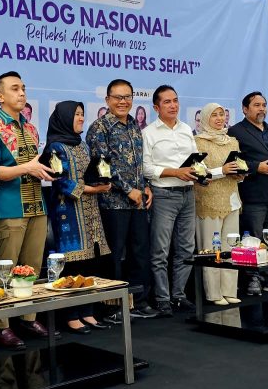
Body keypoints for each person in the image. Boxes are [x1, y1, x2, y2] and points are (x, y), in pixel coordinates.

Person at [0, 71, 59, 350]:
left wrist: (46, 170)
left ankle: (27, 317)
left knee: (32, 267)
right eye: (14, 88)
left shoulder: (31, 128)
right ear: (0, 96)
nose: (22, 93)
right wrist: (27, 168)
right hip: (9, 207)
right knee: (6, 268)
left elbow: (34, 167)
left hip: (37, 205)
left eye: (23, 88)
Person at [86, 79, 159, 321]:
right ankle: (112, 308)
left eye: (127, 97)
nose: (123, 101)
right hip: (112, 203)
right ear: (107, 100)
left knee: (140, 253)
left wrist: (145, 187)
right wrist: (128, 190)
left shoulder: (134, 125)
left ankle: (139, 301)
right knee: (114, 256)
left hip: (138, 202)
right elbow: (103, 167)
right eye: (117, 97)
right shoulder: (99, 128)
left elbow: (138, 164)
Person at [46, 101, 112, 333]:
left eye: (82, 114)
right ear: (64, 118)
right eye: (76, 114)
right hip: (68, 213)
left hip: (90, 210)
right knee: (72, 265)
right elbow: (60, 180)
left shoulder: (82, 144)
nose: (81, 118)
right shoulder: (55, 147)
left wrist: (101, 179)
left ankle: (87, 312)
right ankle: (71, 316)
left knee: (90, 262)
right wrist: (91, 189)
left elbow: (88, 172)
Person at [227, 91, 268, 295]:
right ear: (245, 109)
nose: (262, 108)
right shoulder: (235, 131)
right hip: (253, 194)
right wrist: (256, 167)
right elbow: (232, 162)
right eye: (256, 105)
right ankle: (252, 279)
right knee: (252, 239)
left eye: (264, 105)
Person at [142, 85, 198, 317]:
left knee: (187, 248)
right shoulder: (148, 133)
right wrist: (175, 172)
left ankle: (179, 295)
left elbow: (194, 162)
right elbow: (146, 168)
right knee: (160, 251)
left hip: (188, 193)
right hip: (164, 194)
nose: (173, 105)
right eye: (167, 102)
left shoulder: (186, 129)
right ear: (156, 107)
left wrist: (200, 174)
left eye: (175, 100)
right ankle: (162, 298)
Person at [194, 103, 243, 305]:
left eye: (222, 114)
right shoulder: (198, 142)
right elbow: (198, 173)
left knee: (231, 247)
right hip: (208, 200)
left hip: (232, 199)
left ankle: (230, 290)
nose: (219, 118)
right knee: (211, 249)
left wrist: (240, 173)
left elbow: (238, 166)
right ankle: (214, 293)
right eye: (214, 115)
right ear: (205, 118)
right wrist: (222, 170)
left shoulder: (232, 141)